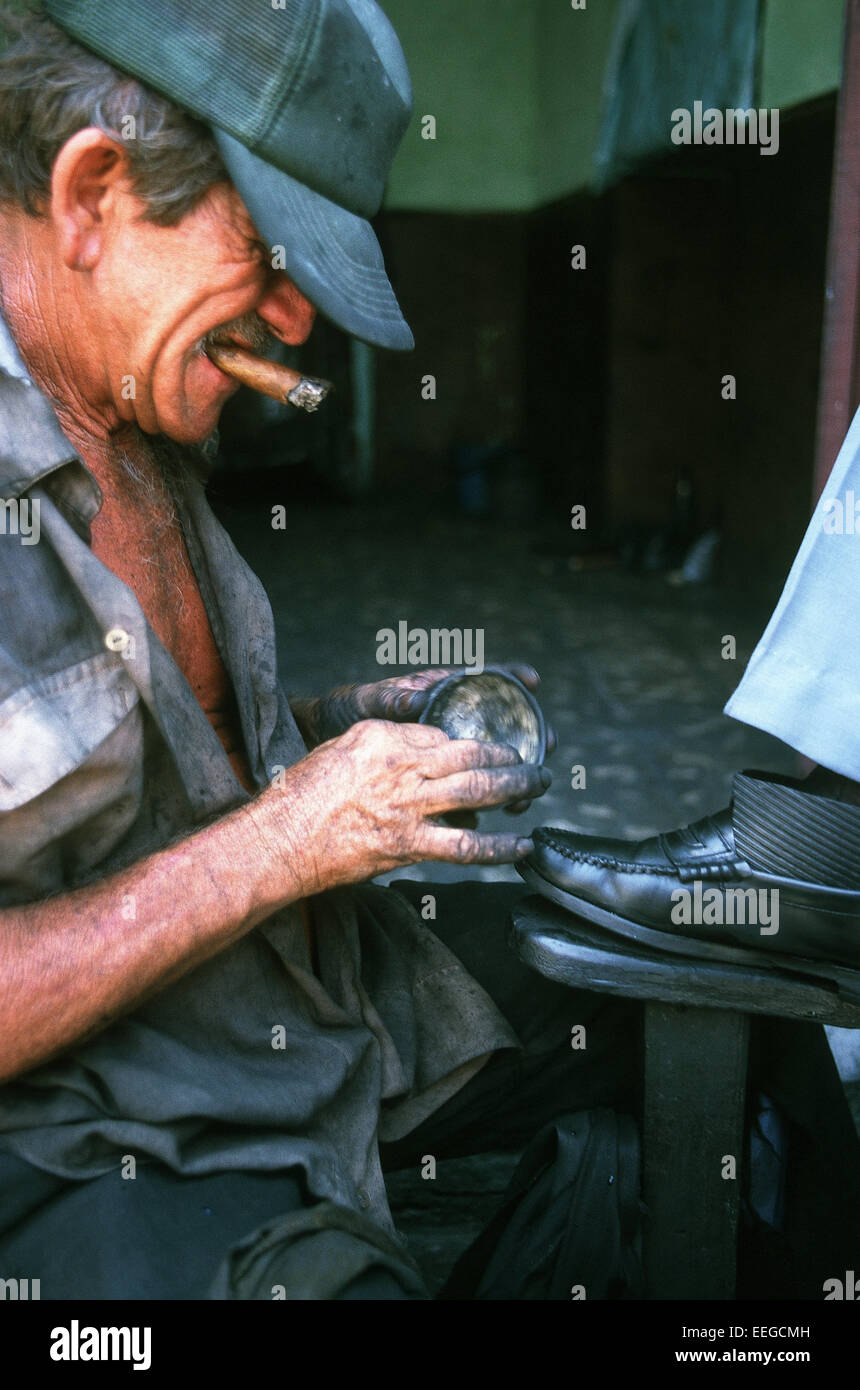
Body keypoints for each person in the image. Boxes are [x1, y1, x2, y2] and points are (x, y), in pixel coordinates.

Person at [0, 1, 855, 1302]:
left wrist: (333, 729)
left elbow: (132, 754)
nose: (294, 324)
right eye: (267, 255)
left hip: (313, 988)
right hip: (106, 1126)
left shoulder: (134, 400)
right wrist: (285, 834)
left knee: (702, 993)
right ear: (91, 194)